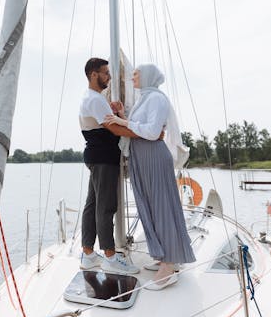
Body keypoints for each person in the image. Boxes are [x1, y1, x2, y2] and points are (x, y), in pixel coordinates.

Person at [104, 64, 196, 290]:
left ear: (147, 77)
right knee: (150, 208)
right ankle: (164, 256)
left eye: (136, 74)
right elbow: (143, 127)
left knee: (161, 207)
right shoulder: (145, 99)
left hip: (153, 158)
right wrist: (124, 116)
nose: (132, 77)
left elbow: (153, 132)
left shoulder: (156, 99)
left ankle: (168, 267)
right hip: (143, 158)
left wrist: (123, 123)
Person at [79, 58, 139, 274]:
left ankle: (88, 254)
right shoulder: (95, 99)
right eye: (106, 73)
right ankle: (111, 257)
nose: (109, 77)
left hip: (96, 156)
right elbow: (113, 128)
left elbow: (107, 122)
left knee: (92, 205)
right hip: (104, 158)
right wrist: (143, 134)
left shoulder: (92, 98)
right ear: (93, 74)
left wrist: (114, 112)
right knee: (105, 207)